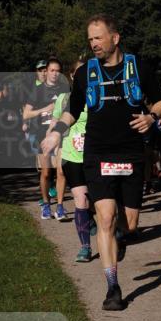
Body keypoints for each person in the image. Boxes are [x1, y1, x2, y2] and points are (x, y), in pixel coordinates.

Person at [42, 16, 161, 311]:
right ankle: (113, 287)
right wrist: (56, 133)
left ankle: (121, 236)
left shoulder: (139, 67)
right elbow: (73, 109)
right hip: (97, 153)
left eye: (98, 38)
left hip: (131, 153)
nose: (94, 44)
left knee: (129, 224)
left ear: (115, 38)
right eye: (90, 39)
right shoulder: (86, 73)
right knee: (105, 218)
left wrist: (151, 117)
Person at [53, 59, 92, 262]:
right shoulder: (64, 98)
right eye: (79, 73)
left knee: (98, 201)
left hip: (95, 155)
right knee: (81, 199)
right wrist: (56, 147)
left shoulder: (97, 96)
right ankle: (85, 246)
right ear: (72, 76)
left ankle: (94, 220)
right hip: (72, 154)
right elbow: (56, 123)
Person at [23, 58, 68, 220]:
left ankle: (61, 206)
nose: (55, 73)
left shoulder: (65, 89)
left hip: (61, 134)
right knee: (47, 172)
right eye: (52, 70)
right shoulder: (38, 91)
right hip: (41, 134)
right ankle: (46, 204)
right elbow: (26, 114)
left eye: (58, 71)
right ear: (46, 72)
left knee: (61, 171)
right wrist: (45, 109)